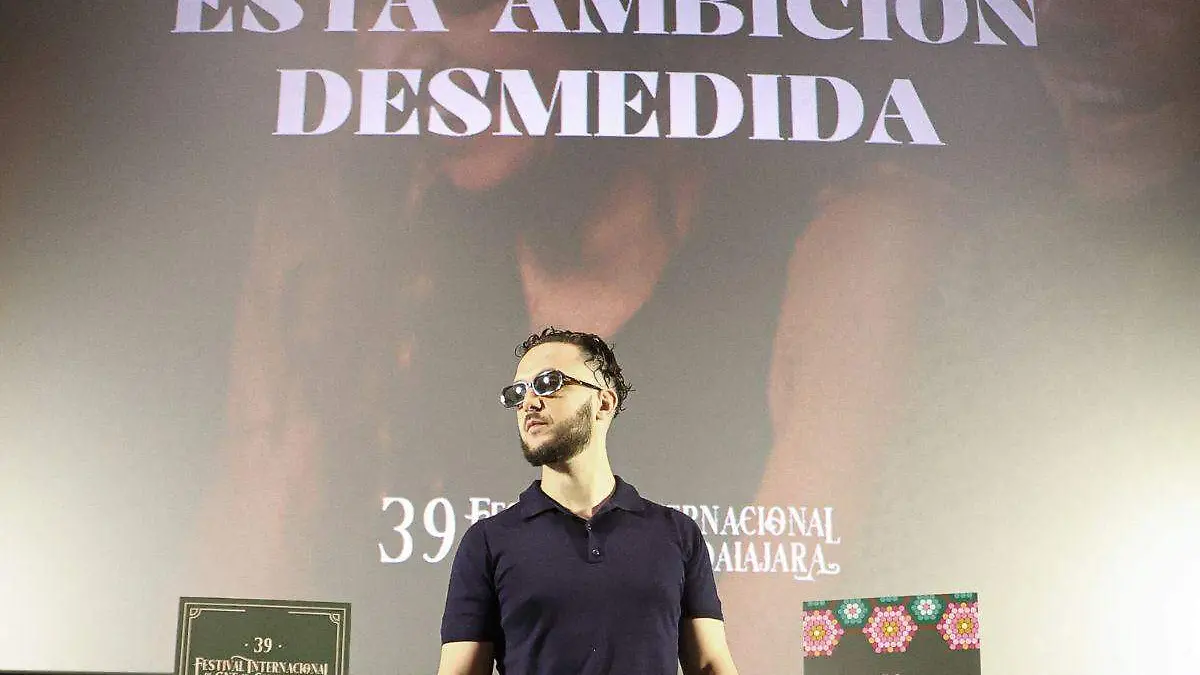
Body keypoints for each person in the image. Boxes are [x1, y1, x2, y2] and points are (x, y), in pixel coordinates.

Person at [436, 327, 740, 675]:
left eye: (549, 383)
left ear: (604, 403)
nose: (529, 403)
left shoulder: (677, 534)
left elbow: (709, 663)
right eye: (519, 392)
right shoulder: (488, 542)